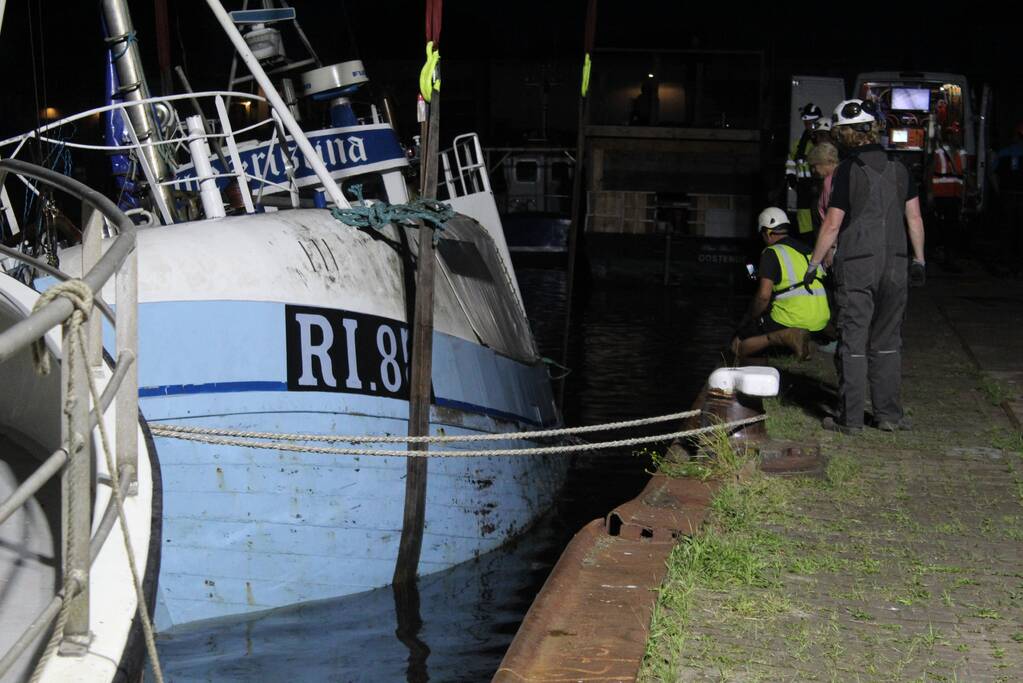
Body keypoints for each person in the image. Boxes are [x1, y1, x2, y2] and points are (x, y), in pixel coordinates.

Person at [804, 99, 926, 434]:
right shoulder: (900, 168)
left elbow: (832, 224)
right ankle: (888, 416)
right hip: (897, 265)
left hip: (858, 265)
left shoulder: (847, 170)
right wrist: (919, 259)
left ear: (846, 133)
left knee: (853, 341)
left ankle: (851, 419)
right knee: (888, 341)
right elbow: (914, 218)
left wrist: (814, 263)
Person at [730, 207, 830, 361]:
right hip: (820, 320)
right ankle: (804, 343)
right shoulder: (809, 250)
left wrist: (751, 318)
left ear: (768, 232)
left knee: (738, 346)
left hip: (793, 317)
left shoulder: (772, 252)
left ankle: (783, 336)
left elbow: (763, 297)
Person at [928, 125, 967, 271]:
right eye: (956, 135)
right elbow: (929, 173)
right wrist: (930, 194)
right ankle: (942, 255)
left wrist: (968, 193)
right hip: (941, 196)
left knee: (952, 227)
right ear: (950, 137)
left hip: (955, 196)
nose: (958, 138)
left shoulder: (962, 153)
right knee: (942, 227)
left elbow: (964, 175)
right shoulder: (938, 153)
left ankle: (948, 257)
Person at [786, 103, 822, 236]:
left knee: (820, 215)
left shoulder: (823, 143)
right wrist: (791, 178)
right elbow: (790, 161)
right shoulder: (799, 144)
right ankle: (806, 239)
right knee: (803, 217)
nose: (808, 126)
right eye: (806, 123)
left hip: (819, 186)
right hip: (802, 186)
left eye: (811, 123)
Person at [992, 121, 1023, 275]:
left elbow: (993, 173)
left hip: (1008, 195)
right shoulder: (1006, 153)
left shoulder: (1004, 152)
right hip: (1016, 195)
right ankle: (1015, 262)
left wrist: (999, 190)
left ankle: (1006, 260)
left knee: (1007, 229)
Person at [808, 140, 840, 236]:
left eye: (815, 166)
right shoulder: (845, 174)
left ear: (824, 162)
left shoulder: (829, 182)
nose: (814, 171)